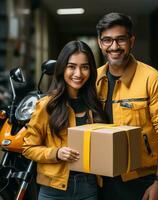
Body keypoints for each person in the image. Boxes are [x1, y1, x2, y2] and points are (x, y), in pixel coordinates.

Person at [96, 12, 158, 200]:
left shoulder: (153, 79)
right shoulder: (94, 79)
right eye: (107, 40)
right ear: (100, 43)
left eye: (120, 39)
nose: (114, 46)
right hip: (99, 177)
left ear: (131, 41)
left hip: (140, 178)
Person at [22, 40, 108, 200]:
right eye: (71, 66)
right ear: (62, 68)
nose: (78, 73)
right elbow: (28, 148)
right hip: (53, 190)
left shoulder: (95, 104)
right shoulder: (47, 105)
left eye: (85, 67)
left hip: (88, 187)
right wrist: (56, 153)